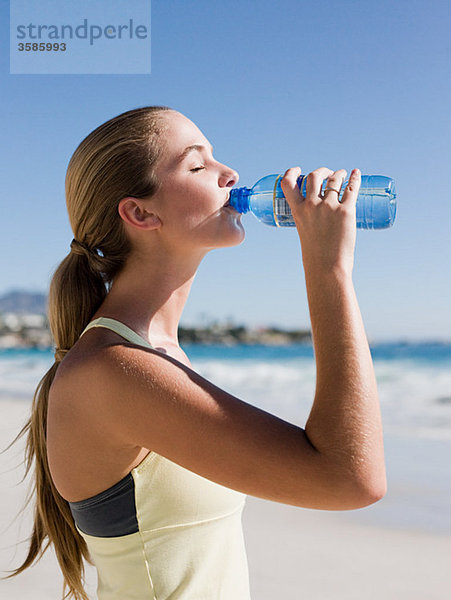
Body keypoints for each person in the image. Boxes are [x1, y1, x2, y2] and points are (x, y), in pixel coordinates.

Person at [8, 106, 386, 600]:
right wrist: (329, 269)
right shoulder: (114, 371)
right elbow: (351, 479)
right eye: (197, 164)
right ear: (140, 213)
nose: (229, 173)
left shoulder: (156, 357)